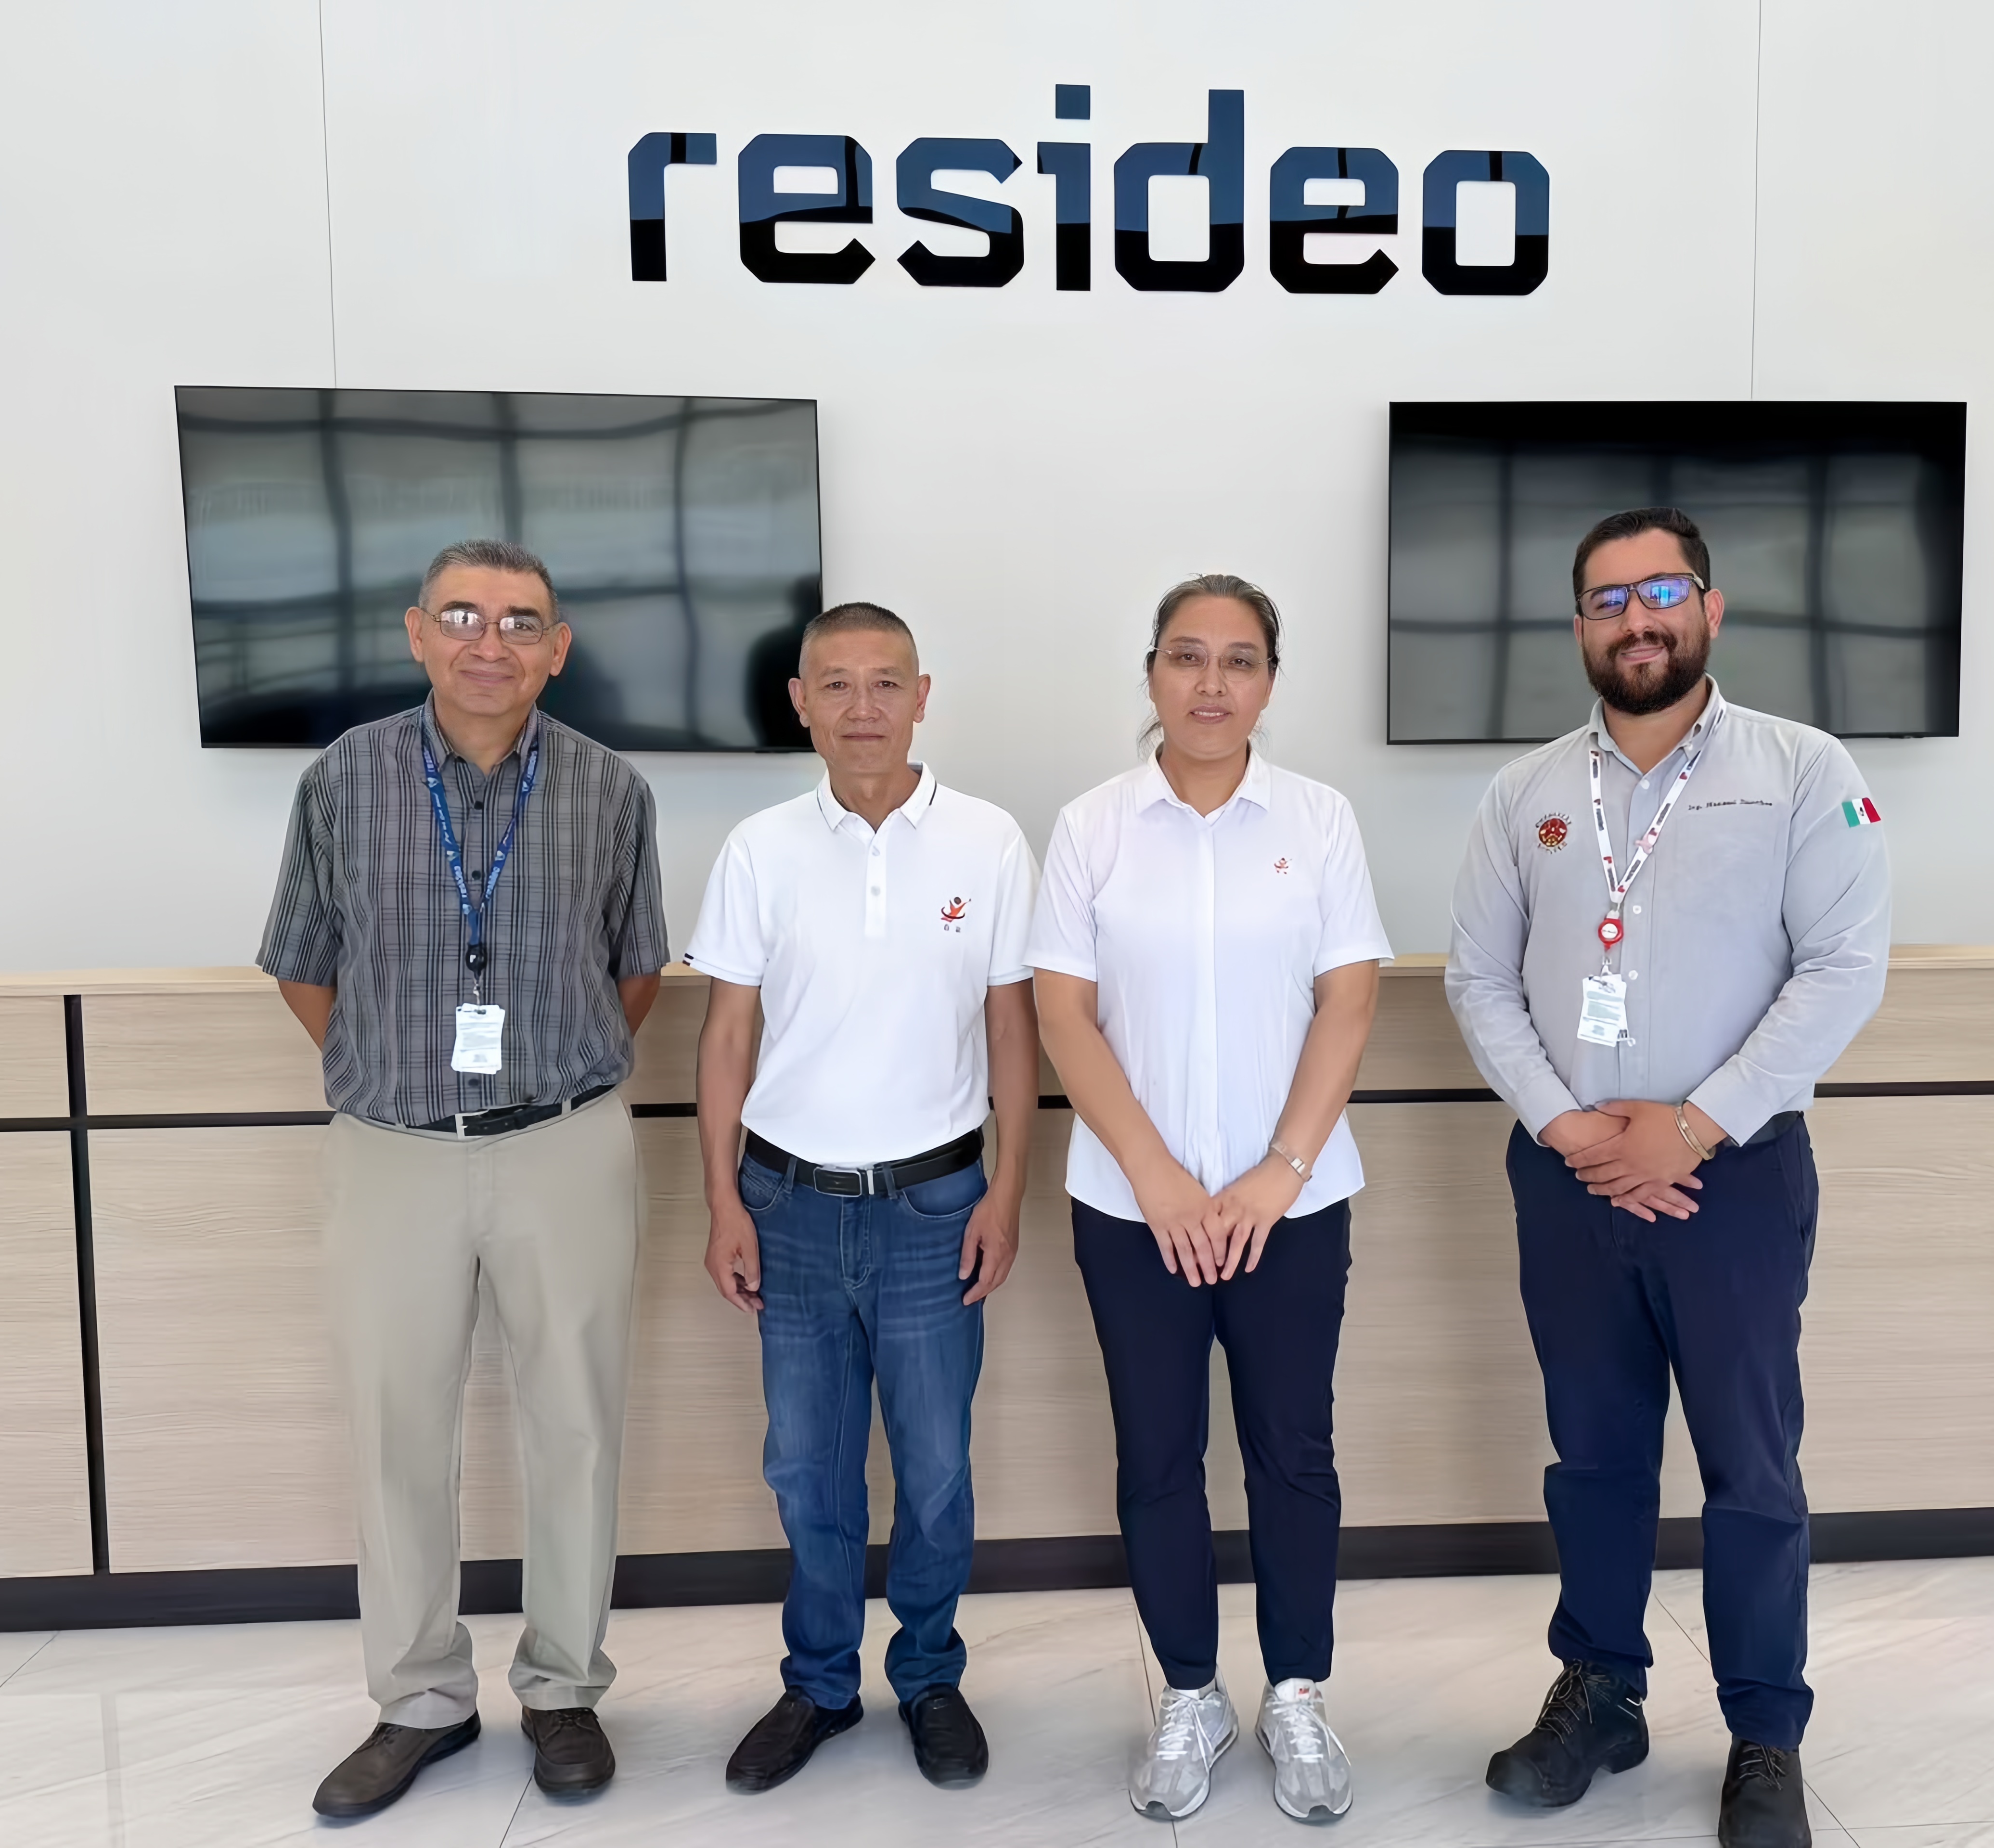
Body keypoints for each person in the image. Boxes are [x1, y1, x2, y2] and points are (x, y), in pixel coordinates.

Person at [1445, 507, 1891, 1848]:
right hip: (1568, 1180)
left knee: (1750, 1465)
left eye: (1661, 591)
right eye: (1607, 599)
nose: (1636, 619)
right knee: (1593, 1457)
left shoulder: (1801, 771)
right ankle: (1602, 1694)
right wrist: (1570, 1129)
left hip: (1734, 1180)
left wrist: (1689, 1129)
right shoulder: (1525, 794)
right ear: (1579, 625)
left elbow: (1842, 970)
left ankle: (1765, 1733)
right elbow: (1478, 979)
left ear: (1709, 608)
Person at [259, 538, 669, 1819]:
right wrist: (393, 1076)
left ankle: (564, 1689)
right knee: (396, 1428)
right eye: (463, 616)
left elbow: (636, 970)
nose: (491, 642)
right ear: (417, 632)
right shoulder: (345, 778)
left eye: (521, 621)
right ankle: (419, 1699)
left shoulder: (611, 788)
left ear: (558, 649)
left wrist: (544, 1077)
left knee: (578, 1424)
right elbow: (303, 964)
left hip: (565, 1143)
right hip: (392, 1150)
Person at [1029, 574, 1390, 1826]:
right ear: (1152, 674)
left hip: (1293, 1207)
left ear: (1270, 684)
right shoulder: (1093, 827)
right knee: (1157, 1456)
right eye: (1188, 657)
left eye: (1240, 661)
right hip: (1134, 1213)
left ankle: (1296, 1692)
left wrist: (1277, 1173)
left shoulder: (1319, 820)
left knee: (1293, 1452)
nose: (1212, 683)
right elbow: (1063, 1015)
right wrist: (1160, 1180)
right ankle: (1191, 1691)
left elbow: (1348, 1000)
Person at [687, 602, 1040, 1795]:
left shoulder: (988, 842)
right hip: (787, 1207)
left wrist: (1007, 1193)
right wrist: (723, 1202)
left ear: (922, 697)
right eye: (834, 685)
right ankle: (821, 1686)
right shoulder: (760, 848)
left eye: (886, 683)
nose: (862, 709)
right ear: (800, 704)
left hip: (936, 1206)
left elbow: (1011, 1031)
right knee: (808, 1468)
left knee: (935, 1468)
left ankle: (929, 1675)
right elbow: (725, 1038)